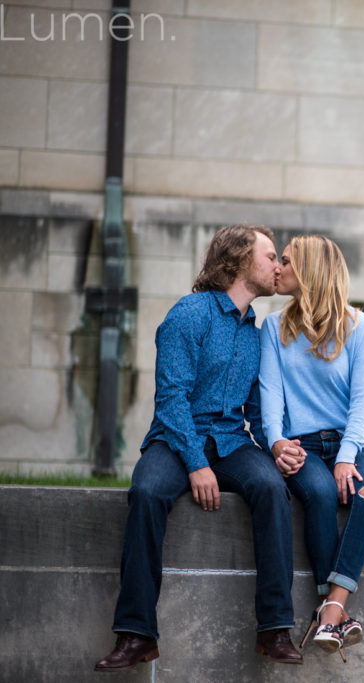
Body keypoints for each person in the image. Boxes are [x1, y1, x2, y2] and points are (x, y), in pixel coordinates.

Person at [95, 225, 303, 672]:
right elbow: (171, 399)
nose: (278, 266)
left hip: (232, 440)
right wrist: (195, 463)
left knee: (271, 488)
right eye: (270, 256)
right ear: (240, 260)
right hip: (177, 438)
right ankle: (135, 634)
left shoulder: (256, 330)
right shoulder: (189, 314)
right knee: (148, 492)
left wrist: (277, 444)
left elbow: (256, 408)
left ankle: (274, 628)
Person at [259, 234, 364, 662]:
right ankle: (334, 612)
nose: (278, 268)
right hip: (303, 447)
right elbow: (270, 396)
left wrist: (347, 458)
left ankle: (331, 607)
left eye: (288, 262)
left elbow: (362, 403)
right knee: (320, 493)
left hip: (348, 443)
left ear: (310, 272)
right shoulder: (273, 328)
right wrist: (277, 443)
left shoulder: (360, 327)